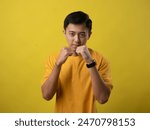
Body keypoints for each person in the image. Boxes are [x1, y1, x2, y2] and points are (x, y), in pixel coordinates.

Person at [41, 11, 113, 113]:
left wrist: (90, 62)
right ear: (64, 33)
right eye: (72, 34)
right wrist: (58, 65)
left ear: (89, 35)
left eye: (82, 34)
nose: (76, 40)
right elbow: (46, 95)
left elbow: (102, 98)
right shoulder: (53, 59)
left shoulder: (100, 59)